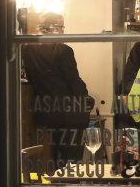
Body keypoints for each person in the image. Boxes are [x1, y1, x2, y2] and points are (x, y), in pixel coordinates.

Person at [22, 12, 94, 165]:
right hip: (71, 116)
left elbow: (32, 79)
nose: (62, 31)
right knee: (72, 163)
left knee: (52, 162)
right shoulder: (63, 50)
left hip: (47, 115)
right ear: (52, 28)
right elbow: (74, 83)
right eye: (61, 27)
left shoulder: (28, 50)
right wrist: (88, 100)